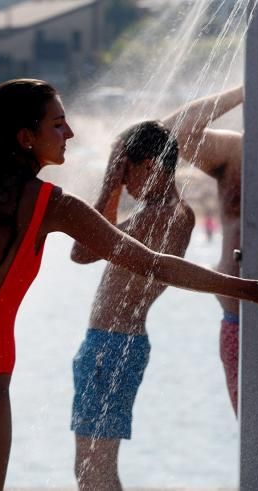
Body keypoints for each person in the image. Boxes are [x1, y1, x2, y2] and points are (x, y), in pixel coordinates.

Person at [0, 79, 258, 490]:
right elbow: (155, 263)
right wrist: (253, 290)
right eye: (58, 124)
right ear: (26, 136)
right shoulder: (51, 204)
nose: (70, 132)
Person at [68, 120, 195, 489]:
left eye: (125, 171)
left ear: (150, 165)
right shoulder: (175, 212)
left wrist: (109, 186)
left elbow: (82, 250)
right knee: (94, 467)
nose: (123, 182)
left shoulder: (158, 216)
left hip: (112, 347)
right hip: (116, 344)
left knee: (94, 469)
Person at [160, 84, 245, 415]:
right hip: (239, 318)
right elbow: (167, 133)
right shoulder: (238, 150)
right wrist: (246, 89)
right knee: (257, 447)